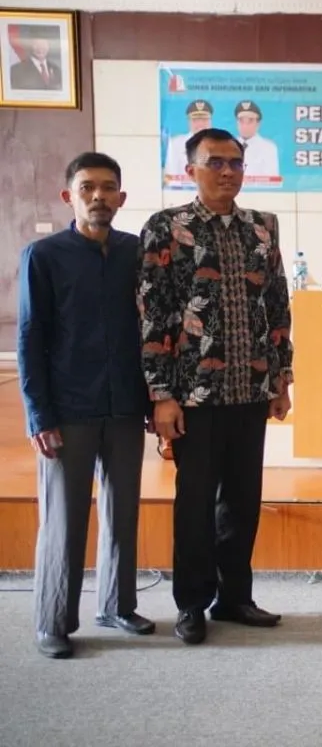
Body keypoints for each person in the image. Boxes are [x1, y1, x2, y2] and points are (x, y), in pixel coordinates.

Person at [139, 127, 294, 645]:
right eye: (215, 162)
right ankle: (191, 603)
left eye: (235, 162)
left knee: (243, 502)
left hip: (250, 389)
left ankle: (234, 597)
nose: (227, 171)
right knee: (196, 503)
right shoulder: (167, 227)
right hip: (194, 395)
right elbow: (154, 314)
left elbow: (277, 306)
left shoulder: (262, 227)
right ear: (191, 170)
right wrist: (161, 395)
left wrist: (281, 379)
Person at [17, 152, 155, 659]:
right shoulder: (44, 255)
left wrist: (152, 398)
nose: (99, 196)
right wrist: (39, 414)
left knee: (123, 511)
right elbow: (30, 337)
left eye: (108, 187)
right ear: (68, 196)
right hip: (67, 408)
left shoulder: (136, 252)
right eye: (87, 187)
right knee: (64, 519)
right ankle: (53, 621)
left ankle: (117, 605)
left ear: (122, 196)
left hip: (125, 404)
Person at [164, 100, 214, 179]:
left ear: (210, 121)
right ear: (189, 121)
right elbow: (170, 177)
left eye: (204, 120)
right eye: (195, 120)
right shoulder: (175, 144)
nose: (200, 124)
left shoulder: (222, 144)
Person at [233, 100, 281, 179]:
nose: (245, 125)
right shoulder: (228, 146)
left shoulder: (268, 148)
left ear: (258, 124)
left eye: (250, 121)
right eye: (241, 120)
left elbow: (271, 180)